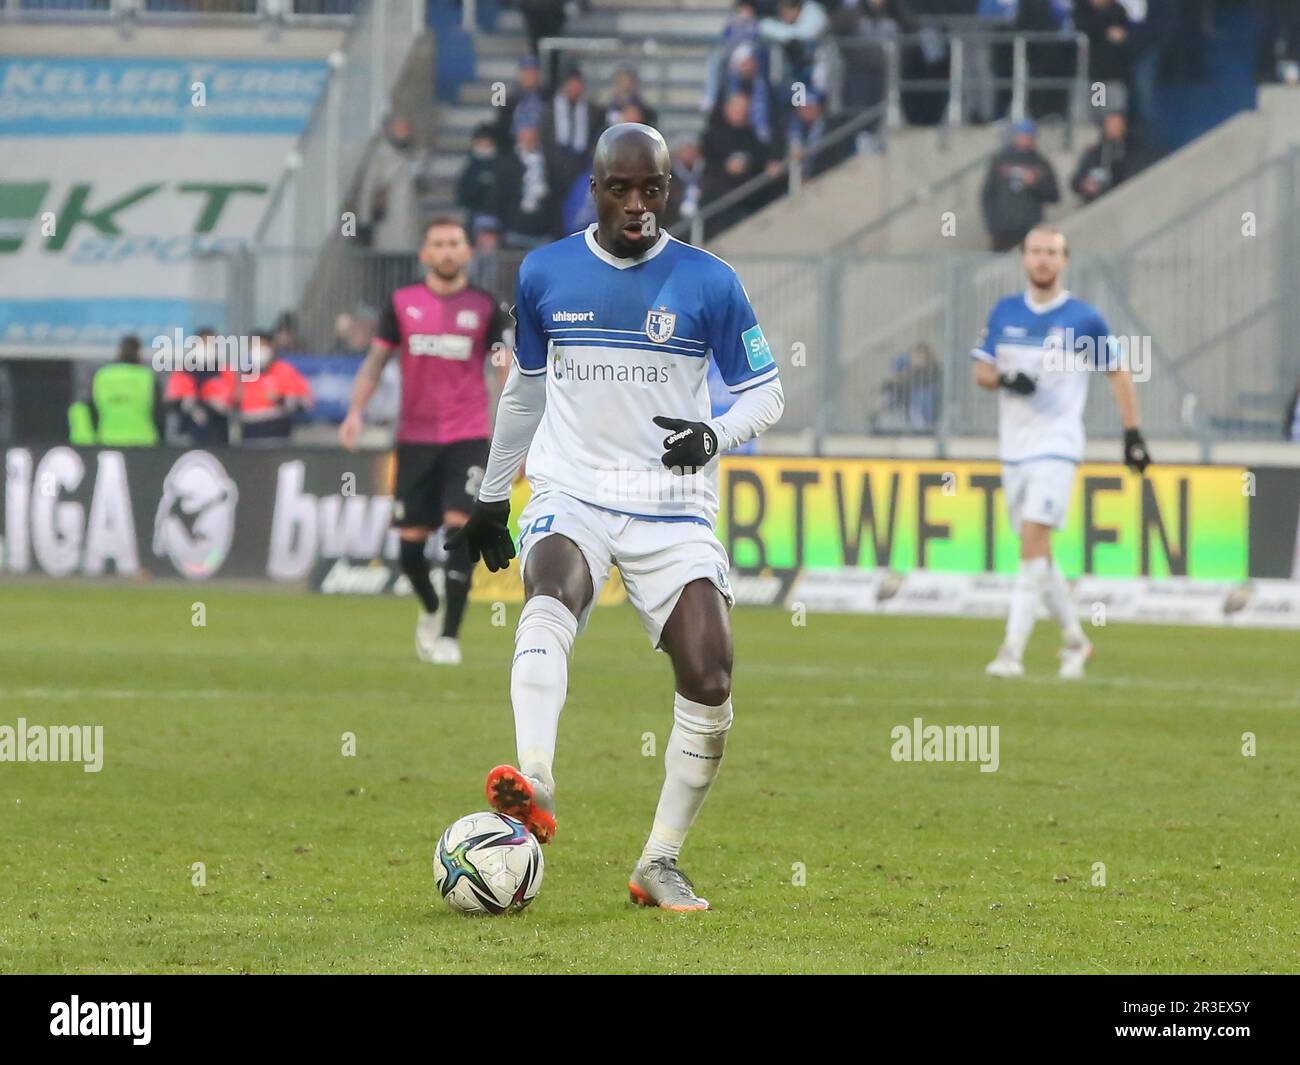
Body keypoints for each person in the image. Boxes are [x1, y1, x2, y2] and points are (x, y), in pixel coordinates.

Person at [449, 123, 785, 910]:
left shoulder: (710, 281)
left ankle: (659, 860)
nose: (638, 205)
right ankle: (534, 775)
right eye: (621, 189)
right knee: (552, 589)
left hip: (672, 509)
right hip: (574, 487)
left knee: (711, 672)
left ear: (670, 192)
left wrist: (715, 431)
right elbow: (526, 390)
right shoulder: (544, 274)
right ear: (593, 190)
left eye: (653, 190)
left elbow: (767, 391)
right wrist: (494, 495)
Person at [972, 224, 1150, 681]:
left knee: (1032, 543)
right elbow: (981, 370)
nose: (1043, 260)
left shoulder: (1084, 319)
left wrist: (1132, 434)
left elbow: (1118, 373)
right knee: (1039, 552)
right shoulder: (1005, 311)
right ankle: (1076, 641)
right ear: (1023, 258)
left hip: (1057, 445)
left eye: (1052, 252)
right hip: (1013, 448)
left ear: (1065, 260)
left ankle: (1010, 652)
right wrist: (1006, 379)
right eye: (1035, 251)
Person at [340, 216, 511, 666]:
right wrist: (356, 412)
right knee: (410, 549)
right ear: (425, 254)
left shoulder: (486, 306)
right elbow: (375, 363)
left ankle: (451, 637)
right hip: (414, 438)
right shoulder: (402, 303)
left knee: (460, 529)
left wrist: (509, 430)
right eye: (439, 244)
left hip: (468, 435)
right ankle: (432, 606)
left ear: (468, 252)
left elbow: (502, 368)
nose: (448, 251)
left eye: (455, 243)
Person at [203, 333, 313, 445]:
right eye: (254, 346)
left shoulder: (285, 371)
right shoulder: (243, 374)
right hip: (249, 432)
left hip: (276, 430)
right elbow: (224, 402)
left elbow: (305, 402)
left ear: (271, 347)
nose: (258, 350)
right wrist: (234, 402)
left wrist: (280, 400)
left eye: (262, 346)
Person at [981, 119, 1060, 251]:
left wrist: (1034, 184)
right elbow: (987, 194)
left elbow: (1054, 195)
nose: (1025, 140)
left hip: (1030, 228)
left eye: (1028, 136)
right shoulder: (1000, 160)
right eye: (1021, 136)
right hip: (1003, 230)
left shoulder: (1041, 163)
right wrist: (993, 224)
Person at [494, 122, 561, 248]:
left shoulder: (549, 162)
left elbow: (557, 193)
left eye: (532, 135)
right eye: (526, 135)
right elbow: (499, 195)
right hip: (514, 227)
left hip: (543, 228)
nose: (529, 139)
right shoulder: (507, 163)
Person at [1070, 108, 1157, 204]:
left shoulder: (1136, 152)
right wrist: (1085, 184)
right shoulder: (1094, 153)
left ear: (1124, 126)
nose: (1114, 128)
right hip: (1098, 204)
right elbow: (1075, 181)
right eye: (1111, 124)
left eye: (1118, 124)